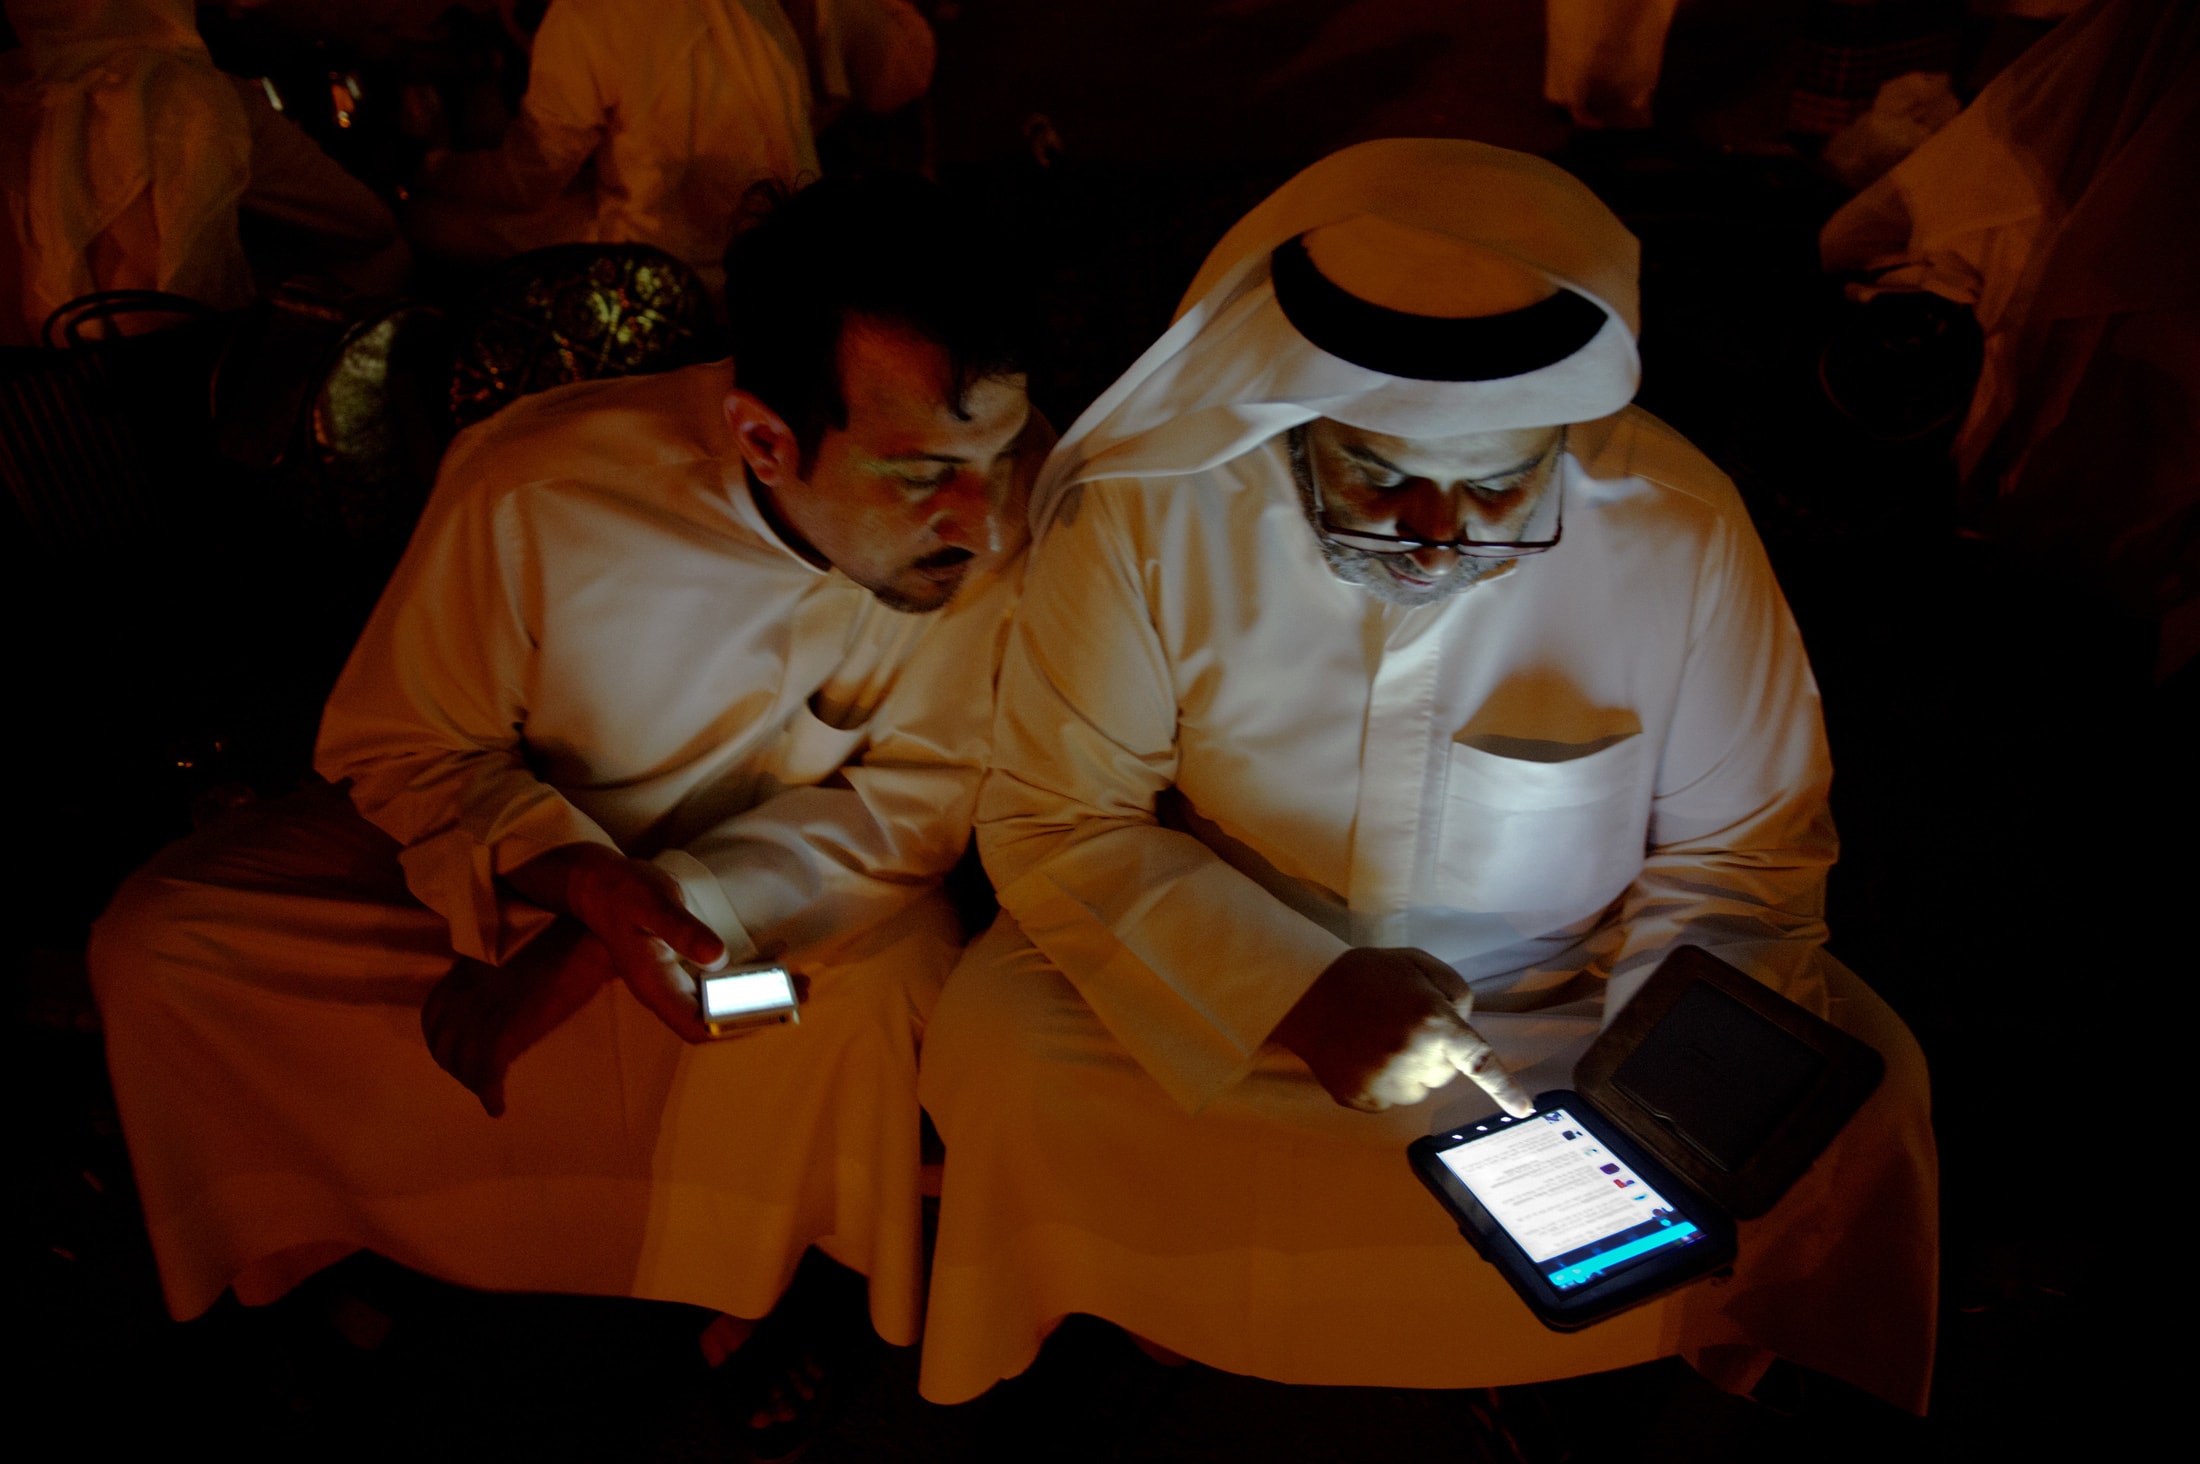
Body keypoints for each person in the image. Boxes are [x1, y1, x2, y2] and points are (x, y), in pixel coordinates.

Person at [915, 139, 1938, 1414]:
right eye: (1379, 477)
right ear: (1296, 421)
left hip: (1574, 1013)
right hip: (1223, 1008)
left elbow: (1744, 852)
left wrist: (1650, 1106)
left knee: (1867, 1094)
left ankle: (1591, 1353)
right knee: (1004, 1048)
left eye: (1500, 487)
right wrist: (1299, 993)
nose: (1437, 536)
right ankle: (1146, 1309)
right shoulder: (1150, 513)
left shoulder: (1678, 527)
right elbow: (1061, 819)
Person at [88, 173, 1042, 1413]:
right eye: (922, 474)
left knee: (865, 1009)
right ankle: (341, 1236)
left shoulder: (1005, 518)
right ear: (764, 436)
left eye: (999, 455)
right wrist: (580, 884)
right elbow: (410, 751)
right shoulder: (538, 489)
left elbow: (914, 803)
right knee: (165, 945)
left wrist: (610, 942)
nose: (979, 520)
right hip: (503, 874)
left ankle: (755, 1286)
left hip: (770, 926)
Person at [0, 0, 403, 345]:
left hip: (52, 403)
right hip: (197, 374)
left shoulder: (26, 107)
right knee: (386, 249)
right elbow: (365, 228)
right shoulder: (184, 95)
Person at [402, 0, 817, 294]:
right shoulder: (752, 6)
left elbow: (526, 184)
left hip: (669, 265)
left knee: (429, 221)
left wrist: (431, 168)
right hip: (783, 245)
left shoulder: (588, 14)